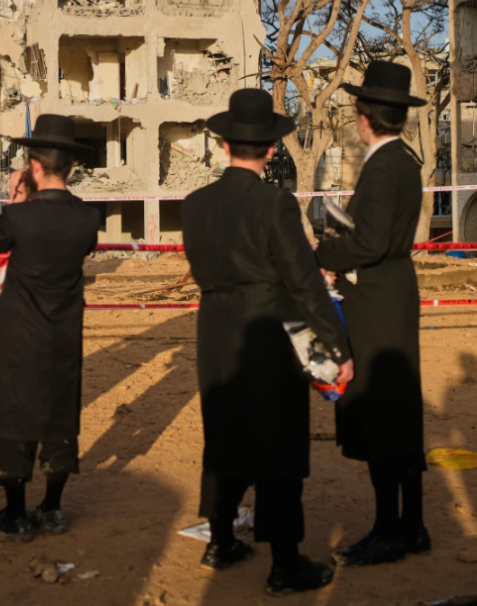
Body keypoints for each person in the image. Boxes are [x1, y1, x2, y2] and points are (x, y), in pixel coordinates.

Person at [181, 88, 354, 596]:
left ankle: (220, 540)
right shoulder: (275, 203)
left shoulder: (194, 205)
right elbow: (303, 281)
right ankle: (284, 563)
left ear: (224, 144)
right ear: (272, 149)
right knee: (277, 443)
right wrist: (335, 347)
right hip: (266, 326)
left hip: (214, 325)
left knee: (225, 435)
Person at [314, 60, 430, 567]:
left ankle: (388, 530)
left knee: (382, 416)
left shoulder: (384, 168)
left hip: (376, 301)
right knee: (401, 414)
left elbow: (371, 242)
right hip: (394, 294)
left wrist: (325, 251)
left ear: (364, 118)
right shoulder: (404, 161)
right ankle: (414, 524)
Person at [0, 115, 100, 543]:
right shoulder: (87, 219)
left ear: (34, 166)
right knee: (60, 419)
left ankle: (14, 515)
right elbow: (81, 244)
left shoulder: (18, 219)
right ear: (71, 166)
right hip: (64, 333)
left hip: (19, 333)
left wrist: (17, 200)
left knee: (12, 419)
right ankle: (54, 508)